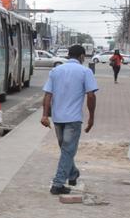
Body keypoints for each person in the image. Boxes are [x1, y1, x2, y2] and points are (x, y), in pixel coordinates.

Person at [41, 44, 99, 195]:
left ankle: (69, 176)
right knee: (67, 150)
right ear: (81, 57)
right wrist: (91, 117)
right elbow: (91, 95)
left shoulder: (56, 70)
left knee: (66, 149)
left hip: (58, 118)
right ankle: (59, 183)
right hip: (73, 119)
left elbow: (48, 94)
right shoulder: (85, 71)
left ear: (68, 55)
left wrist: (45, 115)